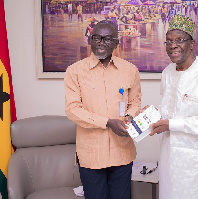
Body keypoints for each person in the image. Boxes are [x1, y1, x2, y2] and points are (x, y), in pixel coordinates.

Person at [148, 14, 198, 198]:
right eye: (168, 41)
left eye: (179, 40)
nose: (173, 45)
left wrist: (171, 124)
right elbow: (169, 110)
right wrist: (151, 114)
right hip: (170, 160)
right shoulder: (167, 72)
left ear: (192, 43)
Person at [64, 20, 142, 199]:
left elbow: (135, 102)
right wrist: (107, 122)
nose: (100, 42)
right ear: (90, 40)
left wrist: (129, 117)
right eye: (96, 38)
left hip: (122, 152)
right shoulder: (74, 71)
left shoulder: (130, 70)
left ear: (116, 43)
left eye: (107, 39)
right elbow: (72, 109)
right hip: (92, 155)